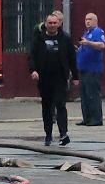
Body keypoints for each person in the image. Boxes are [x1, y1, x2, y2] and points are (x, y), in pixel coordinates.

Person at [26, 11, 76, 147]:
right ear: (46, 24)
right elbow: (32, 56)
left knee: (61, 105)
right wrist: (33, 70)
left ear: (58, 24)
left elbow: (72, 57)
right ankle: (48, 134)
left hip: (60, 78)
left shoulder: (65, 38)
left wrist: (75, 76)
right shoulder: (39, 39)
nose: (53, 25)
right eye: (50, 23)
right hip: (44, 78)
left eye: (55, 23)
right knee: (47, 107)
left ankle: (63, 134)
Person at [75, 12, 105, 127]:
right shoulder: (86, 33)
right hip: (84, 69)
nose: (87, 21)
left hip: (93, 69)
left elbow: (102, 45)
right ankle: (87, 118)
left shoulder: (98, 31)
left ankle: (96, 119)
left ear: (95, 21)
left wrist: (88, 43)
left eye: (90, 19)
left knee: (92, 94)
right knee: (84, 95)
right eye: (86, 19)